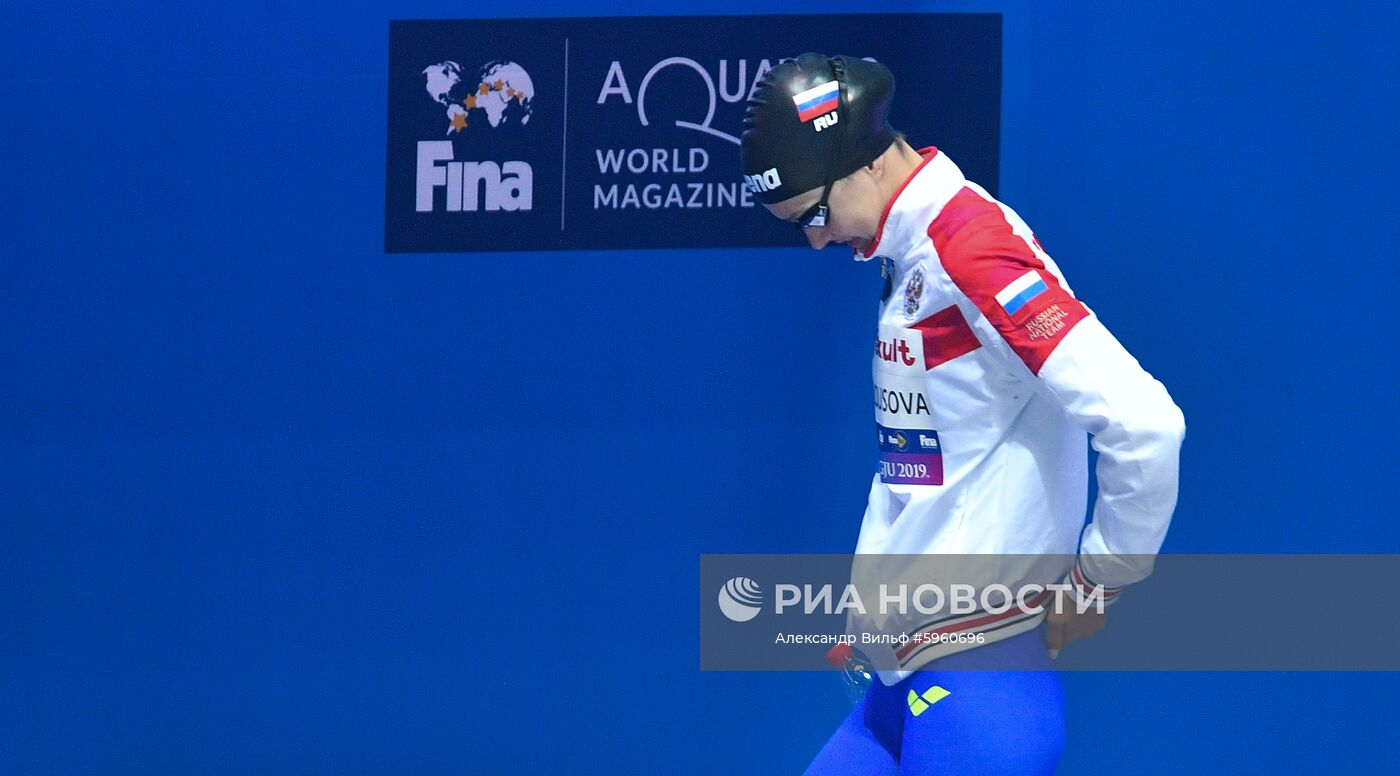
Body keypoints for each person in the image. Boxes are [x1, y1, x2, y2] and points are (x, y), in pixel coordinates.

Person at [740, 53, 1185, 774]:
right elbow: (931, 460)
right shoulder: (910, 250)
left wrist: (1105, 575)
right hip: (903, 687)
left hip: (980, 691)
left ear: (870, 163)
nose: (816, 239)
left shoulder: (969, 251)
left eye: (814, 214)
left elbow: (1146, 422)